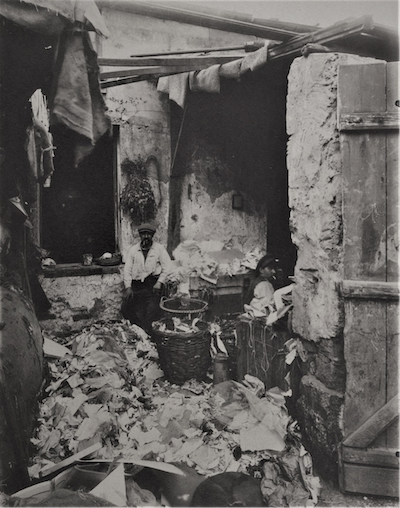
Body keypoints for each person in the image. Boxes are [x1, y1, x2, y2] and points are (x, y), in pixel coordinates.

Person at [121, 223, 171, 334]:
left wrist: (159, 282)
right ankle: (138, 332)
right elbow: (127, 270)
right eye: (143, 234)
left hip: (152, 285)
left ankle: (149, 334)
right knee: (126, 308)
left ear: (152, 235)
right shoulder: (133, 250)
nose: (146, 237)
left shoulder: (159, 249)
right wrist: (128, 287)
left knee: (152, 310)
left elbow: (167, 267)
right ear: (140, 235)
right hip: (137, 285)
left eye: (149, 234)